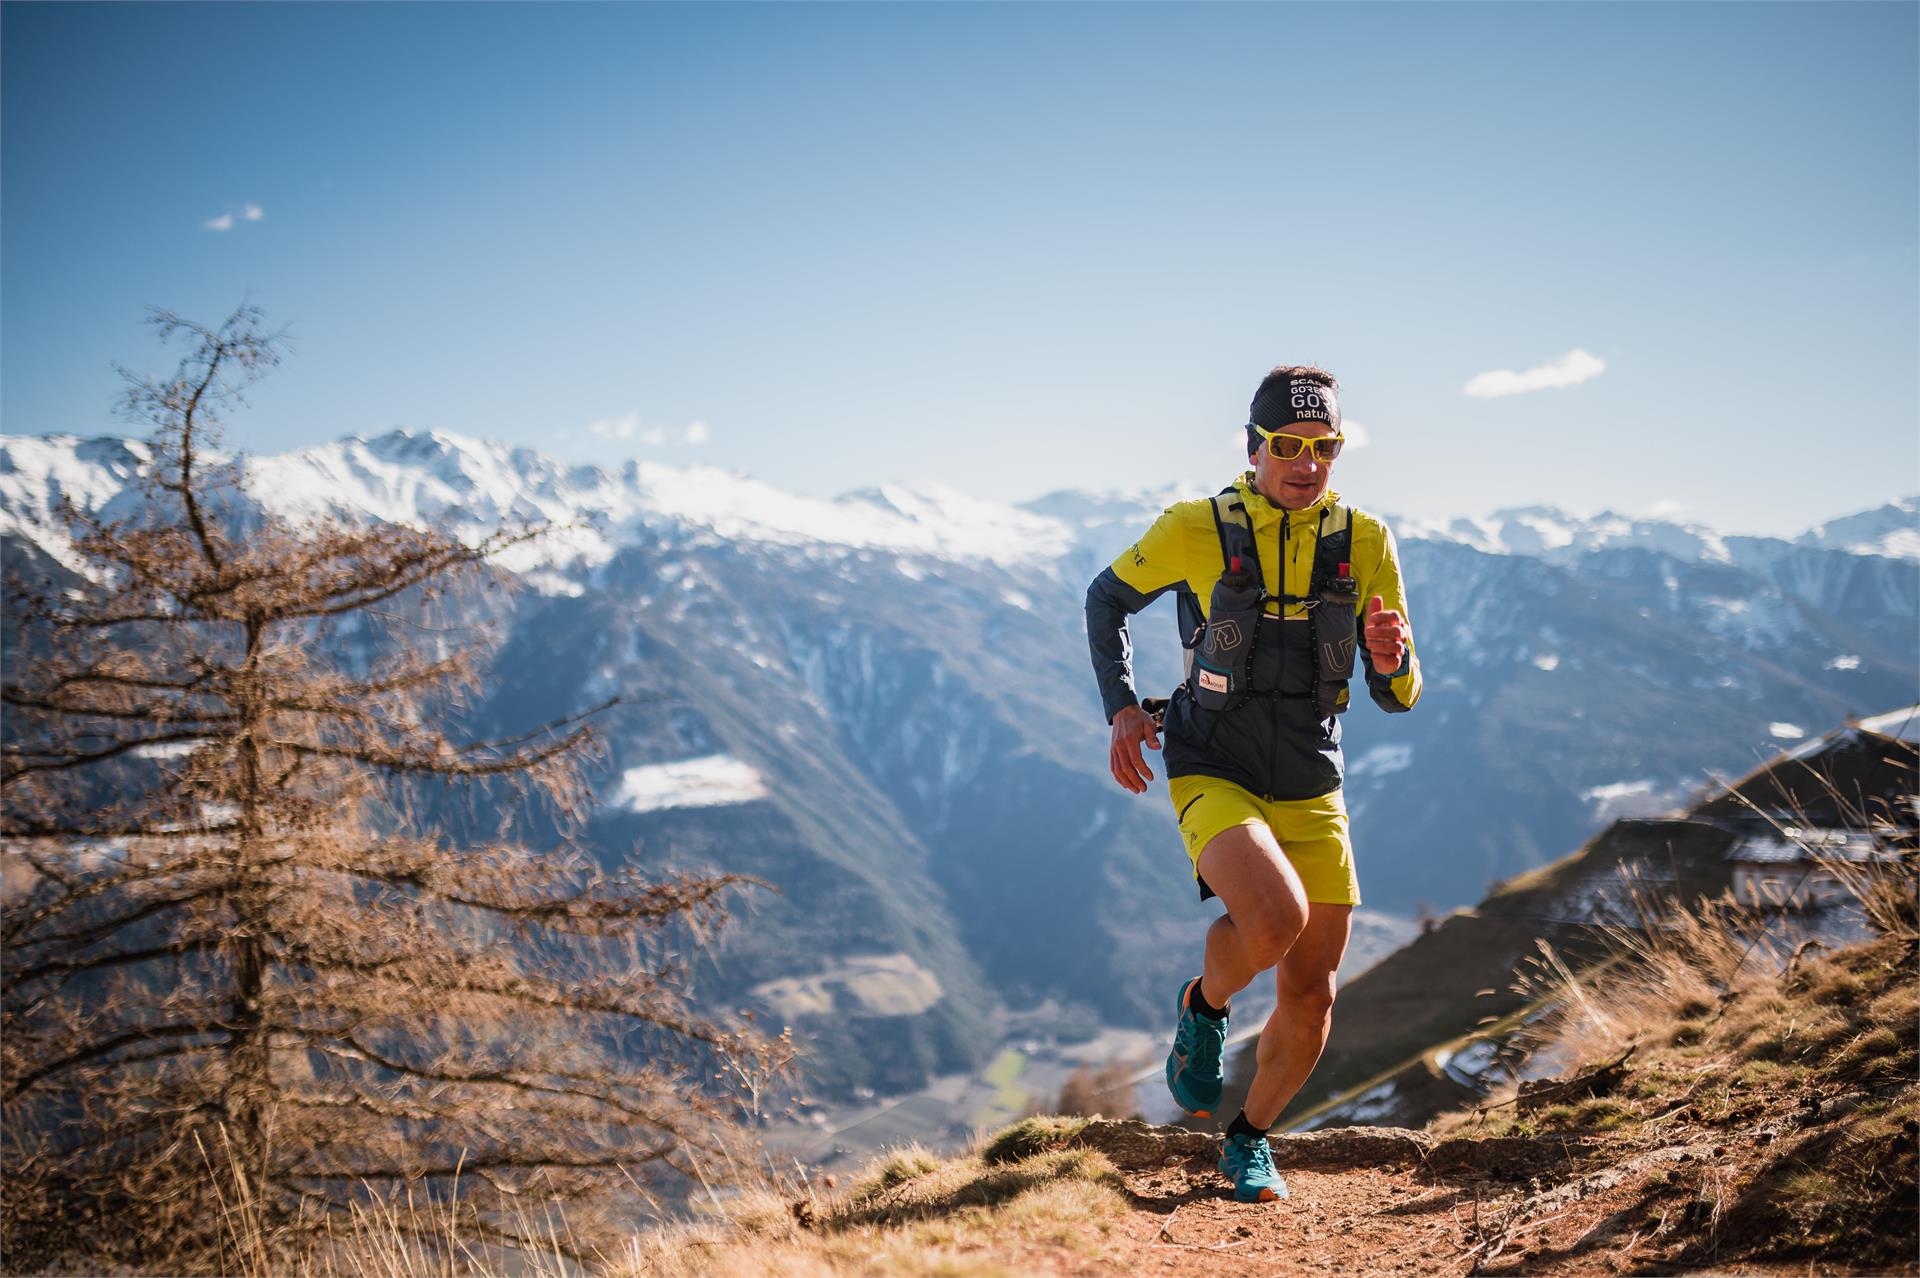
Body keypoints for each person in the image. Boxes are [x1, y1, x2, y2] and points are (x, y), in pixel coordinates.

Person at [1083, 365, 1422, 1203]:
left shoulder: (1367, 540)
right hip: (1213, 760)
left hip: (1312, 775)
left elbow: (1400, 692)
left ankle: (1249, 1139)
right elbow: (1105, 599)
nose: (1306, 462)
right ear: (1254, 446)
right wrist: (1123, 709)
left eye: (1324, 447)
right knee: (1272, 918)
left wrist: (1392, 658)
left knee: (1312, 992)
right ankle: (1205, 1004)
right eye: (1288, 446)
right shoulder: (1196, 527)